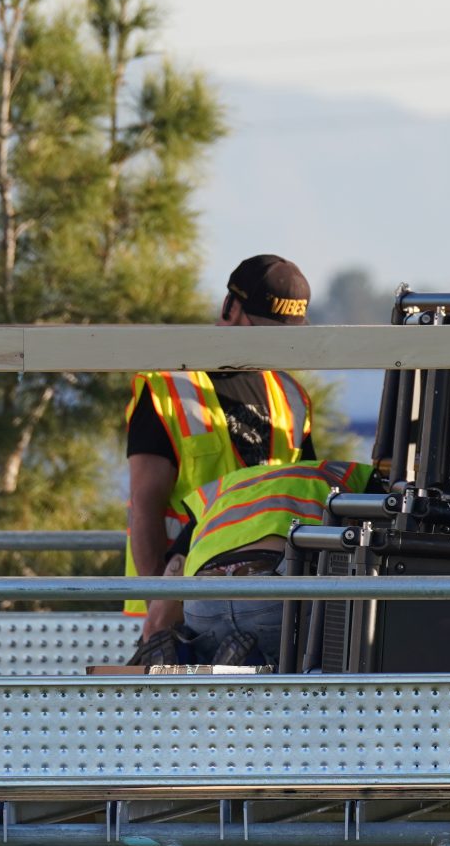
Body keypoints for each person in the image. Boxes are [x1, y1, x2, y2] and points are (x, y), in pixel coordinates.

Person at [125, 254, 316, 626]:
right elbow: (144, 506)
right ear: (230, 307)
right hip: (183, 602)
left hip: (261, 599)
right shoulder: (169, 388)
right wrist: (160, 610)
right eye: (262, 330)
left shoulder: (291, 395)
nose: (272, 347)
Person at [141, 457, 375, 668]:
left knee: (202, 641)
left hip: (205, 597)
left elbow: (164, 602)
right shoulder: (351, 480)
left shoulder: (222, 491)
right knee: (328, 635)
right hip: (267, 590)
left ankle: (185, 659)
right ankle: (256, 665)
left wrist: (155, 634)